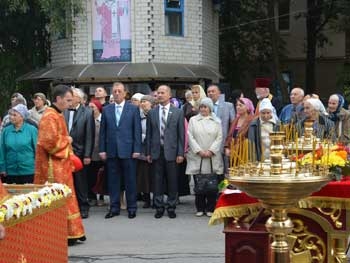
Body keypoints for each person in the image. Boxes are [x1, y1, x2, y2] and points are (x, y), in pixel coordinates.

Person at [34, 84, 86, 246]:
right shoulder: (50, 116)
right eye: (68, 100)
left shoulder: (58, 114)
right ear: (58, 99)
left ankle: (73, 232)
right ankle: (61, 232)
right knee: (57, 198)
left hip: (61, 165)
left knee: (67, 197)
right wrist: (67, 141)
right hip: (51, 168)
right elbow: (48, 142)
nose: (70, 103)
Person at [99, 82, 142, 219]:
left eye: (119, 91)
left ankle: (132, 208)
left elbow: (137, 130)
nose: (117, 93)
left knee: (130, 181)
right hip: (111, 150)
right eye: (114, 91)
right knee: (113, 181)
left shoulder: (133, 109)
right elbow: (103, 132)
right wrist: (102, 149)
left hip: (128, 151)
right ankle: (114, 207)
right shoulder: (107, 109)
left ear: (125, 93)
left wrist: (137, 149)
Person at [146, 85, 185, 219]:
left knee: (172, 181)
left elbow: (181, 135)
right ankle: (159, 206)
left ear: (169, 95)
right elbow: (149, 135)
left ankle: (171, 206)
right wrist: (148, 152)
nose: (160, 95)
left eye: (163, 93)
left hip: (172, 152)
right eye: (158, 93)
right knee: (157, 181)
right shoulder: (152, 112)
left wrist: (181, 153)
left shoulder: (178, 112)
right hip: (157, 152)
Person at [186, 98, 223, 217]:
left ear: (210, 108)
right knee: (199, 184)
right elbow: (190, 136)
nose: (203, 109)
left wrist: (211, 150)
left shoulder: (217, 121)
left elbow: (219, 137)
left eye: (205, 107)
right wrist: (199, 150)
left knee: (212, 184)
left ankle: (211, 207)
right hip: (198, 156)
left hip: (212, 157)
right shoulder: (193, 120)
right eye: (201, 107)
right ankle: (200, 207)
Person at [64, 88, 95, 219]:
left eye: (73, 95)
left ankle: (83, 206)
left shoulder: (87, 113)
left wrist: (87, 155)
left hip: (80, 152)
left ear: (80, 99)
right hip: (64, 151)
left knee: (81, 181)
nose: (70, 97)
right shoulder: (63, 111)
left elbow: (90, 135)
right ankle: (69, 207)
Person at [0, 104, 37, 184]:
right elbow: (2, 150)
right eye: (10, 114)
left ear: (22, 117)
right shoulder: (6, 131)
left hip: (29, 171)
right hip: (11, 171)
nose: (11, 117)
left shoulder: (32, 130)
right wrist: (2, 168)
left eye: (14, 115)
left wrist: (39, 168)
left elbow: (37, 150)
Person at [136, 95, 155, 208]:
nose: (143, 104)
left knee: (155, 175)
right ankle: (147, 198)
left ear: (151, 103)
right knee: (144, 176)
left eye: (145, 101)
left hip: (155, 148)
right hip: (142, 149)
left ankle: (157, 198)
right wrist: (143, 136)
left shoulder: (156, 114)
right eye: (141, 102)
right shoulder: (138, 116)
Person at [87, 99, 105, 207]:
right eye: (89, 107)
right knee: (91, 176)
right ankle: (92, 196)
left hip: (102, 151)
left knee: (103, 176)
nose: (90, 109)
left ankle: (102, 196)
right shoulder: (88, 120)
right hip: (91, 152)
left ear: (98, 108)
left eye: (92, 107)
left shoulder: (103, 119)